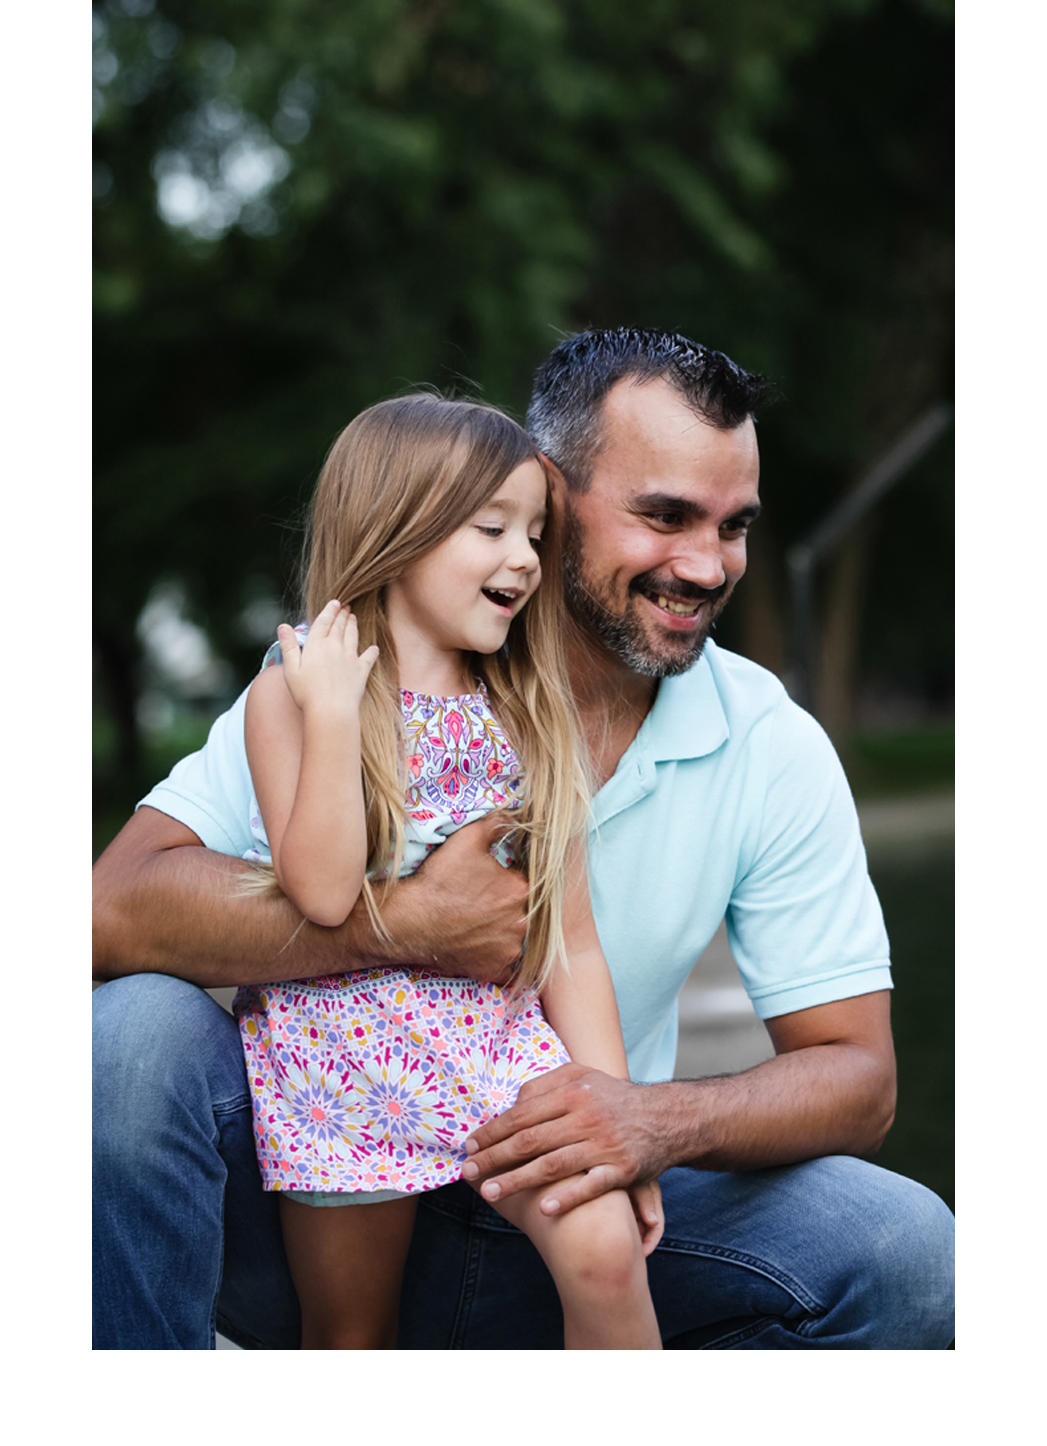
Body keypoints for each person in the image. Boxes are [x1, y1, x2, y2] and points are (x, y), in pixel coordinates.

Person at [93, 327, 955, 1349]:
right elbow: (104, 918)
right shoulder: (339, 688)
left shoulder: (766, 741)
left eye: (735, 527)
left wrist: (644, 1124)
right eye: (666, 515)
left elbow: (859, 1079)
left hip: (550, 1175)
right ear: (547, 487)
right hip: (323, 1157)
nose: (707, 564)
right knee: (127, 1042)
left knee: (909, 1251)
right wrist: (409, 923)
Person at [230, 395, 662, 1348]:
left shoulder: (526, 709)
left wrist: (616, 1125)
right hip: (343, 1073)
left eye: (536, 535)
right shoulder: (293, 692)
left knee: (603, 1253)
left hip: (499, 1051)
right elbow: (326, 893)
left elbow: (573, 944)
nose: (525, 558)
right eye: (492, 528)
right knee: (351, 1338)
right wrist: (338, 713)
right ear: (399, 527)